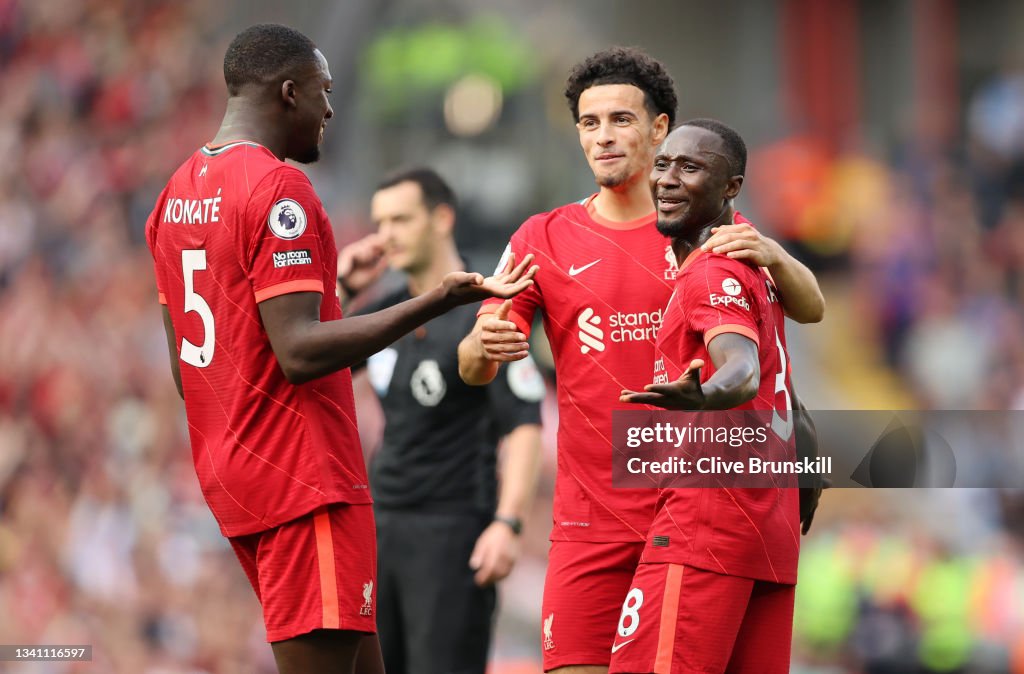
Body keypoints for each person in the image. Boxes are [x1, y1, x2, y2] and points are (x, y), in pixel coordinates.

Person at [144, 24, 536, 674]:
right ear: (289, 92)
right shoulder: (278, 190)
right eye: (323, 94)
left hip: (237, 477)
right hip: (307, 486)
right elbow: (297, 351)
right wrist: (437, 299)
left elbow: (193, 371)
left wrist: (335, 291)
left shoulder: (175, 194)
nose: (330, 110)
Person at [457, 47, 824, 673]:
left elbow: (807, 311)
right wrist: (480, 347)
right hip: (592, 521)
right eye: (589, 123)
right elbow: (475, 364)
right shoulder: (541, 238)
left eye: (621, 120)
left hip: (693, 511)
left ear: (659, 129)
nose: (603, 137)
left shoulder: (706, 232)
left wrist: (777, 255)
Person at [610, 119, 801, 674]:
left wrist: (705, 396)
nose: (667, 179)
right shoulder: (756, 268)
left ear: (731, 189)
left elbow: (740, 369)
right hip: (767, 528)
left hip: (706, 523)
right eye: (664, 164)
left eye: (690, 168)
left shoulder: (711, 273)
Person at [336, 167, 544, 674]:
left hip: (452, 534)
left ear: (442, 218)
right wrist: (341, 289)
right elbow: (311, 371)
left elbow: (524, 421)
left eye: (401, 219)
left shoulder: (487, 310)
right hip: (380, 528)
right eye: (380, 222)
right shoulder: (387, 312)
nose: (387, 235)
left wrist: (508, 522)